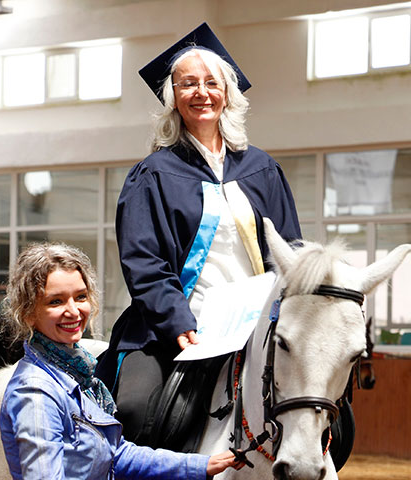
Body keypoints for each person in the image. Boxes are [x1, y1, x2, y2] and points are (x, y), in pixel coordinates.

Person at [96, 22, 302, 444]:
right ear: (173, 99)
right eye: (188, 84)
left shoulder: (262, 169)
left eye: (211, 82)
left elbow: (291, 250)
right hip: (173, 329)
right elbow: (143, 261)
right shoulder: (152, 175)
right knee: (134, 411)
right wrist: (176, 321)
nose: (201, 92)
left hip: (253, 326)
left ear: (227, 93)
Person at [0, 242, 244, 480]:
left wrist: (200, 466)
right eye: (56, 302)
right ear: (28, 313)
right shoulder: (37, 394)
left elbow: (113, 454)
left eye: (80, 297)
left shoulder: (73, 373)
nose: (74, 311)